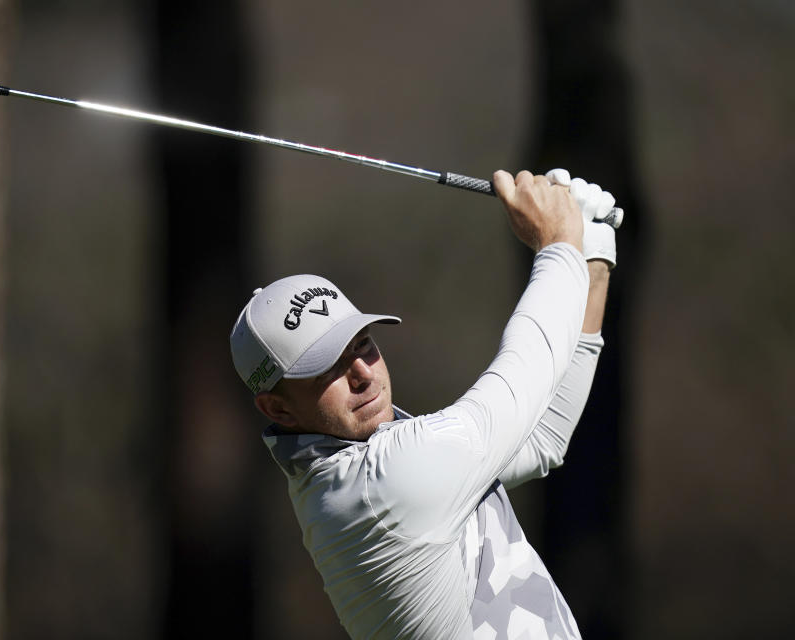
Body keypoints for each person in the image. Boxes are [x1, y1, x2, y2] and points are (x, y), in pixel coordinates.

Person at [229, 168, 619, 639]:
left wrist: (590, 262)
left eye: (363, 344)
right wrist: (558, 244)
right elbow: (522, 376)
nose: (362, 373)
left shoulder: (382, 462)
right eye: (328, 367)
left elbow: (540, 438)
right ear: (278, 409)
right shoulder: (379, 486)